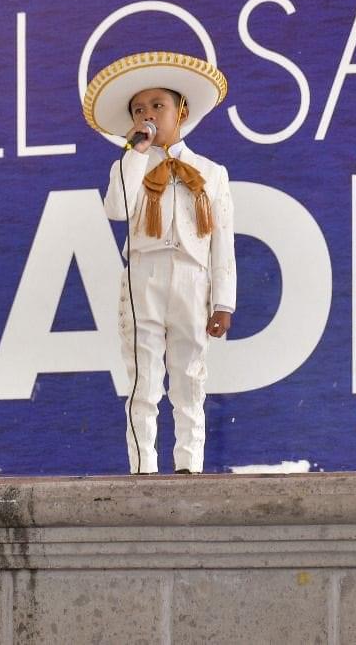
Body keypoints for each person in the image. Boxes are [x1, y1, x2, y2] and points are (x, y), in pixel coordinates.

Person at [83, 53, 236, 474]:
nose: (147, 115)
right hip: (144, 277)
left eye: (157, 106)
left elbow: (222, 241)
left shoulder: (211, 172)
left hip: (192, 278)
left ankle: (190, 464)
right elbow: (116, 208)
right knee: (142, 377)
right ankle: (142, 466)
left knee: (190, 376)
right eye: (138, 109)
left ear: (181, 111)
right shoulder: (129, 165)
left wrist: (223, 301)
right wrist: (133, 152)